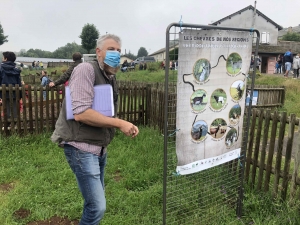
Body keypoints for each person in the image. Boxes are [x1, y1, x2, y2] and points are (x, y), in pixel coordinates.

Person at [51, 34, 139, 225]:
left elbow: (104, 110)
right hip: (81, 148)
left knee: (93, 204)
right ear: (98, 52)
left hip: (98, 148)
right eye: (111, 49)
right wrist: (120, 123)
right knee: (97, 207)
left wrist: (120, 124)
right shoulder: (85, 69)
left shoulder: (110, 76)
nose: (115, 54)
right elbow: (81, 113)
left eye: (118, 50)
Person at [0, 51, 22, 129]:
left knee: (6, 108)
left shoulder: (1, 68)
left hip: (4, 93)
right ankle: (14, 124)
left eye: (3, 57)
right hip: (15, 93)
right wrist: (20, 95)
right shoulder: (16, 69)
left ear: (6, 59)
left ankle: (6, 125)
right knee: (15, 109)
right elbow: (19, 83)